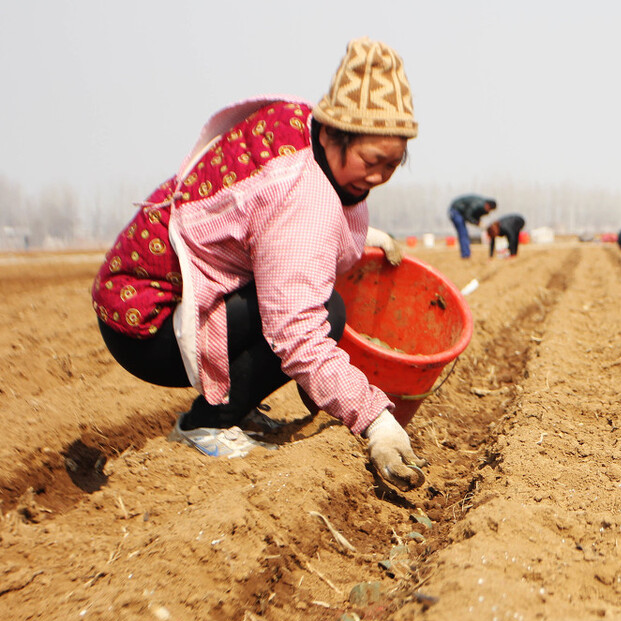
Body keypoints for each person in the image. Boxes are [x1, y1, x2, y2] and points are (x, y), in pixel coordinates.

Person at [90, 38, 427, 490]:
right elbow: (297, 333)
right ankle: (205, 424)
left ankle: (234, 405)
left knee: (324, 307)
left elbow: (291, 227)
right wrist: (374, 419)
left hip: (167, 294)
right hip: (145, 323)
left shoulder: (302, 131)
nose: (379, 177)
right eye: (371, 161)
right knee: (322, 315)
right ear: (332, 133)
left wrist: (365, 235)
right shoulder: (298, 197)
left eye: (392, 164)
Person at [448, 194, 497, 259]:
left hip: (460, 212)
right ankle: (466, 254)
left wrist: (478, 222)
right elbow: (468, 215)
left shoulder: (481, 207)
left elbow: (474, 216)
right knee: (463, 232)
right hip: (456, 210)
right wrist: (477, 223)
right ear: (487, 205)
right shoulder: (477, 205)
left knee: (464, 232)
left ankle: (466, 252)